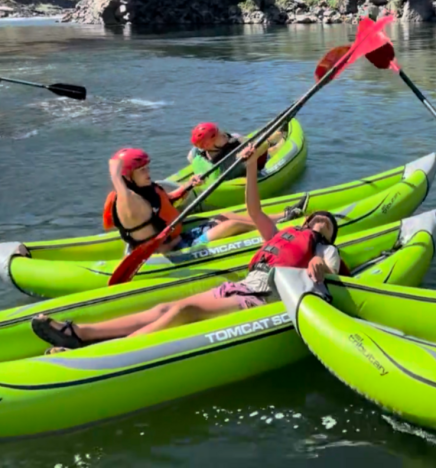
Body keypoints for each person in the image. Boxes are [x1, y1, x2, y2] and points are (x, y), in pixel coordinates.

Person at [33, 144, 341, 353]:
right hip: (240, 287)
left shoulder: (324, 249)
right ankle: (81, 333)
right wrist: (249, 167)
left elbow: (329, 270)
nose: (321, 222)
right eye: (317, 218)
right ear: (305, 222)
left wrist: (320, 267)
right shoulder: (278, 236)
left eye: (327, 223)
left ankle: (101, 352)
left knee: (185, 311)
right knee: (164, 309)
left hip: (263, 298)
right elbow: (254, 210)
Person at [103, 147, 263, 253]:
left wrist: (188, 186)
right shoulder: (130, 204)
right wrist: (116, 175)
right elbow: (124, 193)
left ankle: (275, 220)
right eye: (141, 170)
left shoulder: (147, 190)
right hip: (176, 251)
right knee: (232, 225)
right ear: (128, 177)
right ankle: (269, 233)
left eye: (147, 168)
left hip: (181, 238)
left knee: (224, 216)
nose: (148, 173)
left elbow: (166, 202)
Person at [187, 122, 285, 180]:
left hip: (228, 158)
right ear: (208, 145)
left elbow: (190, 157)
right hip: (249, 167)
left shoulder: (197, 152)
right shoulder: (232, 161)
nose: (223, 134)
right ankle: (277, 144)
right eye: (219, 135)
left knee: (237, 138)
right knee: (269, 146)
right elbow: (256, 149)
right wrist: (271, 140)